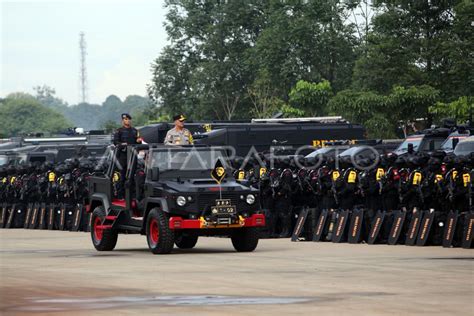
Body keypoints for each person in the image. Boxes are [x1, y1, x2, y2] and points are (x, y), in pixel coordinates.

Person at [113, 113, 142, 198]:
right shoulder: (119, 131)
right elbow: (115, 142)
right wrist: (122, 144)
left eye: (128, 119)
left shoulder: (135, 131)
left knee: (133, 175)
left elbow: (138, 142)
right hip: (122, 156)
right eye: (125, 119)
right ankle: (120, 195)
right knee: (122, 176)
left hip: (132, 156)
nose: (127, 121)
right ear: (122, 121)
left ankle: (133, 195)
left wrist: (139, 141)